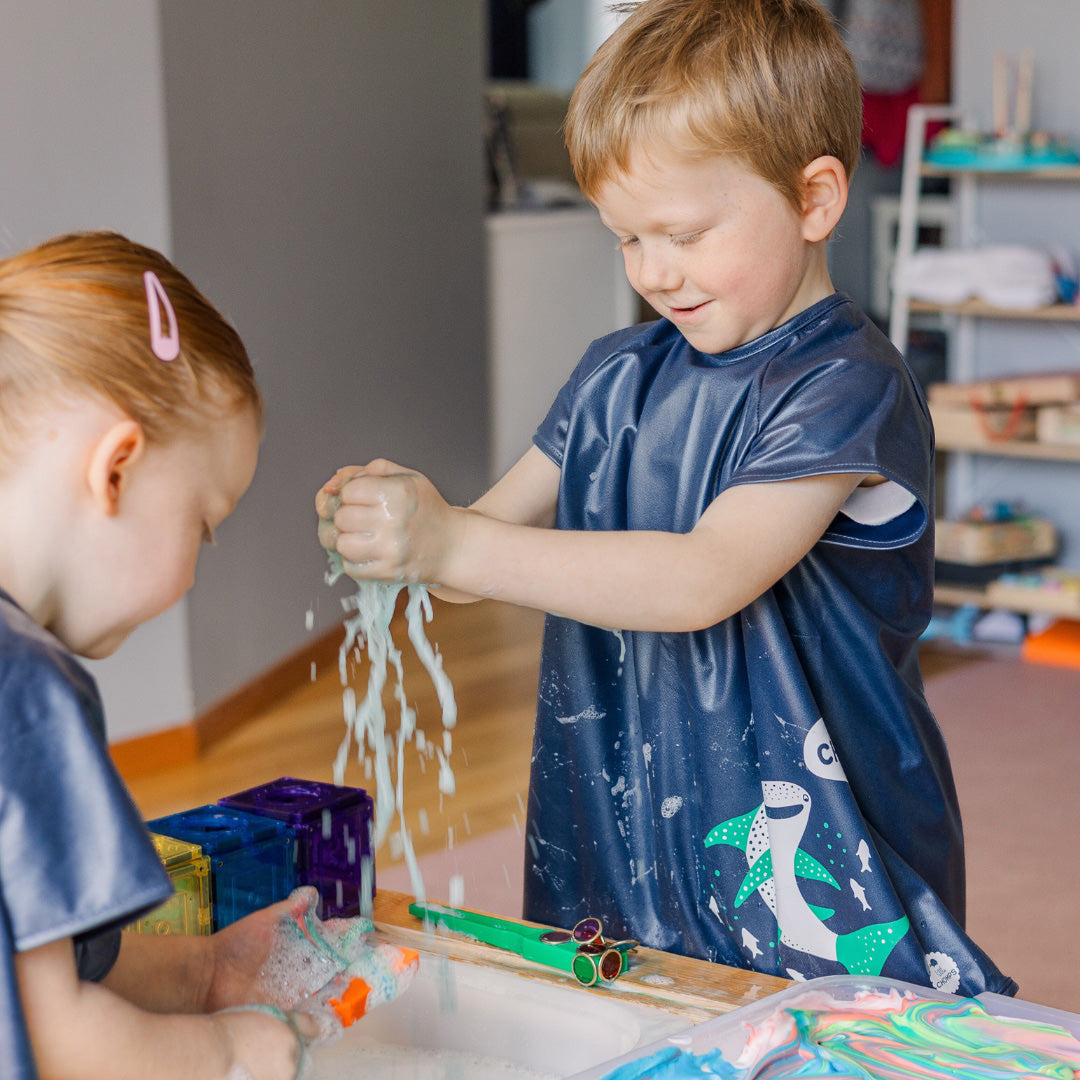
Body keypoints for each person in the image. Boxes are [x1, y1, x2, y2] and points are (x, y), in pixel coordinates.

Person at [316, 0, 1015, 997]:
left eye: (681, 232)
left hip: (817, 818)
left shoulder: (843, 384)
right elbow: (481, 558)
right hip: (626, 802)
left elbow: (703, 578)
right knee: (635, 1017)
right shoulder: (615, 376)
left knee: (842, 1034)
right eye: (625, 240)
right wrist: (402, 534)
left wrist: (453, 547)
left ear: (815, 198)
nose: (652, 272)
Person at [0, 231, 308, 1080]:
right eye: (204, 524)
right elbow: (56, 1041)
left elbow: (47, 956)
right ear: (118, 471)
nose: (197, 566)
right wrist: (231, 1053)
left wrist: (208, 972)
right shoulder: (25, 688)